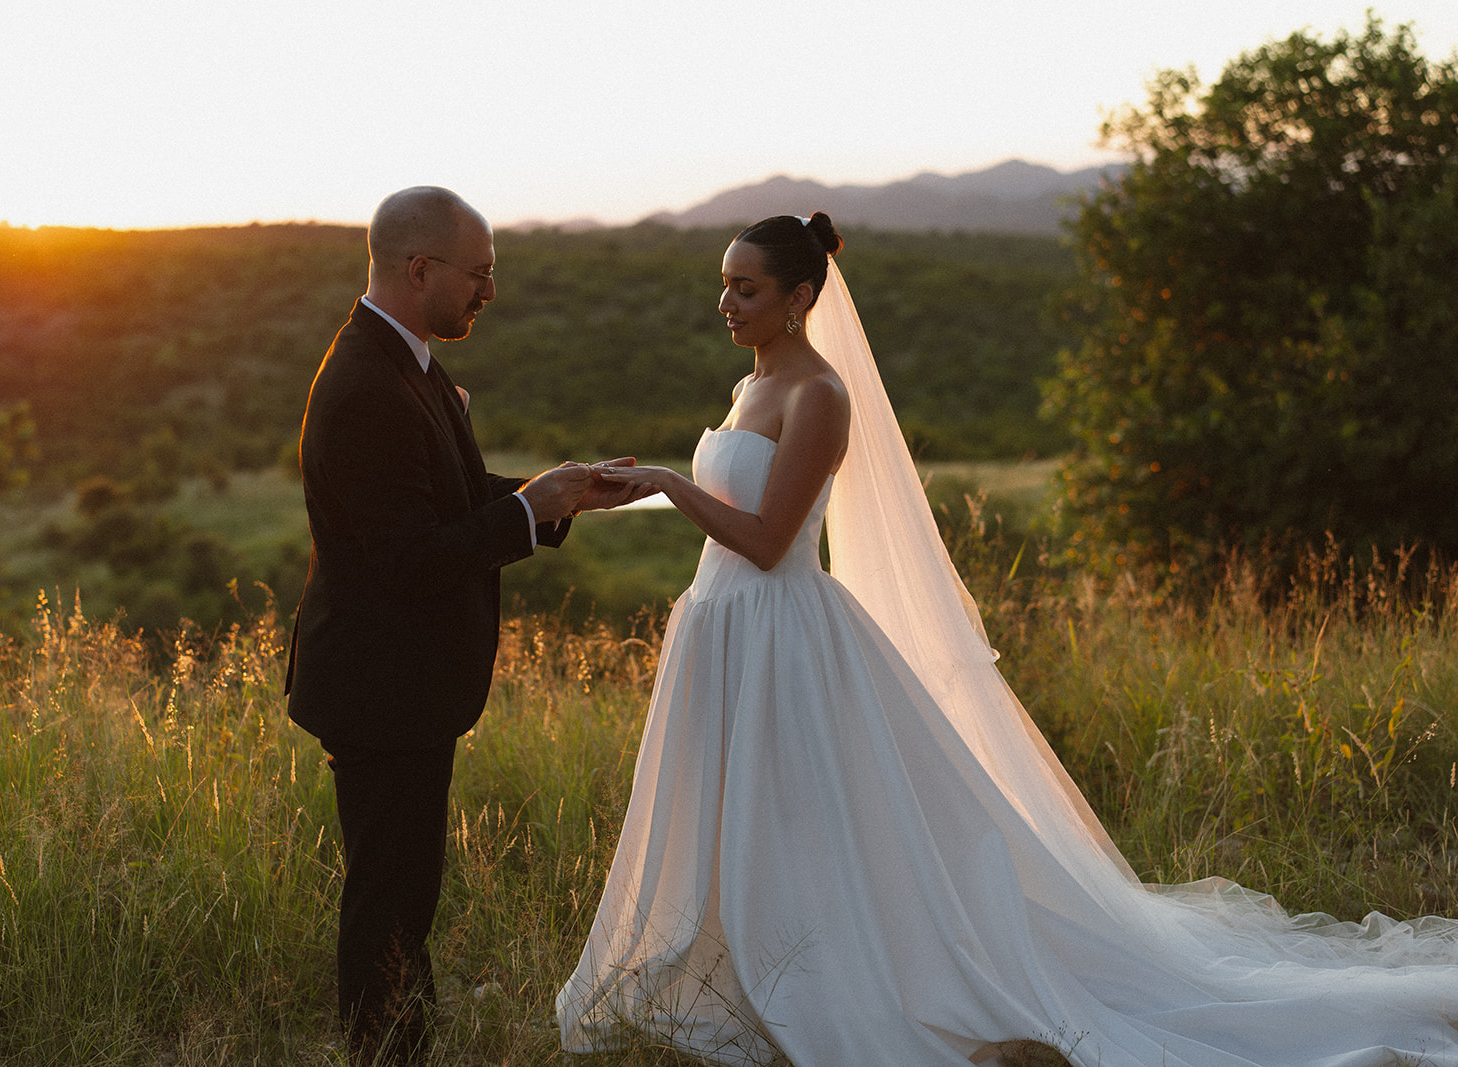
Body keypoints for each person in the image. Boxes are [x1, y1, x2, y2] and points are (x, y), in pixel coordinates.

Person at [556, 213, 1458, 1065]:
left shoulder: (820, 394)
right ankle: (724, 974)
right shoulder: (751, 383)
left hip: (781, 635)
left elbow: (767, 540)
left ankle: (826, 974)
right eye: (724, 285)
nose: (727, 303)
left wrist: (671, 483)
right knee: (732, 815)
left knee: (799, 823)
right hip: (720, 628)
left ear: (799, 298)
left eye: (746, 288)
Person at [284, 186, 637, 1066]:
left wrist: (556, 497)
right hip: (379, 686)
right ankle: (384, 1049)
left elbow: (439, 496)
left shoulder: (404, 358)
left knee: (404, 890)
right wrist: (524, 514)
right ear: (419, 269)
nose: (488, 292)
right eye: (478, 275)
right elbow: (409, 558)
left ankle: (408, 1036)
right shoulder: (368, 382)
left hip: (401, 685)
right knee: (387, 896)